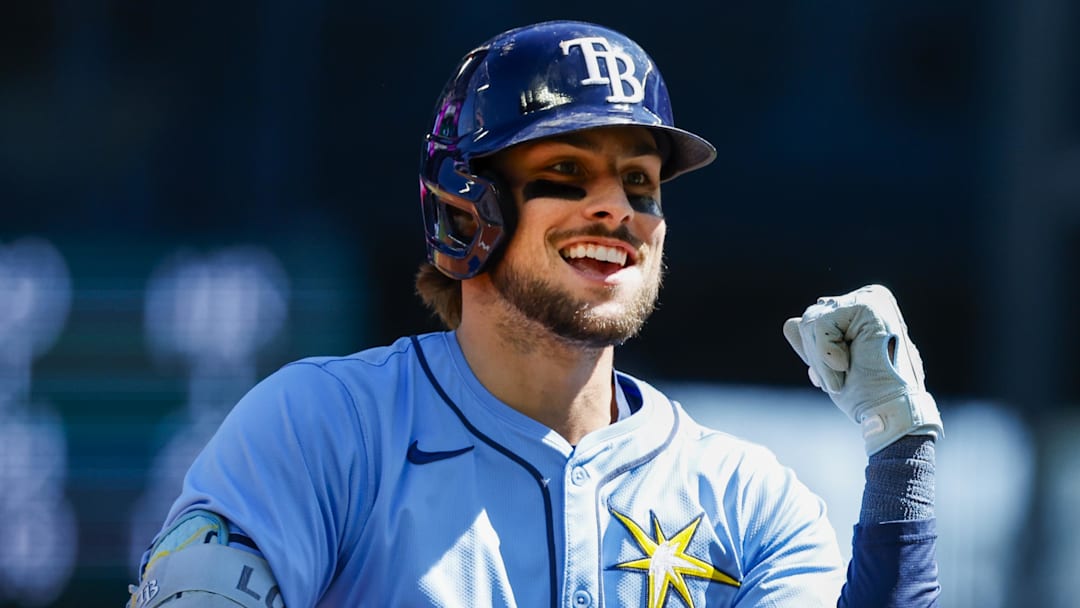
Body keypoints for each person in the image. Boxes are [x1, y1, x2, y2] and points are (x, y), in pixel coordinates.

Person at [127, 20, 943, 607]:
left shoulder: (746, 497)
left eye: (639, 184)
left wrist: (900, 455)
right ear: (464, 212)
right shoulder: (326, 429)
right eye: (565, 170)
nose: (615, 209)